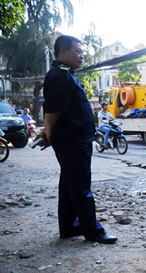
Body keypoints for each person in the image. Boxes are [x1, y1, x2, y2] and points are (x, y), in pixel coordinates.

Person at [37, 35, 117, 244]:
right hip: (72, 141)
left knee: (69, 184)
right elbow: (53, 109)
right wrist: (49, 133)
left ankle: (69, 226)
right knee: (81, 184)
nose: (82, 56)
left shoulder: (64, 75)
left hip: (73, 139)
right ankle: (93, 231)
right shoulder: (60, 75)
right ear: (63, 52)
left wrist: (51, 133)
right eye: (78, 51)